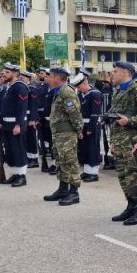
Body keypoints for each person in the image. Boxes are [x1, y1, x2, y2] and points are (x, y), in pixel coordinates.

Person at [107, 61, 137, 225]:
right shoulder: (118, 91)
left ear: (125, 73)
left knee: (133, 177)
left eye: (115, 71)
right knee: (123, 176)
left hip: (132, 141)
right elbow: (116, 117)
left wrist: (130, 120)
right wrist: (113, 140)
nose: (112, 74)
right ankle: (131, 205)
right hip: (120, 141)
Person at [43, 67, 84, 205]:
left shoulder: (66, 92)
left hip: (67, 133)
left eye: (50, 76)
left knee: (70, 162)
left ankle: (74, 193)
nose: (47, 78)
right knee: (61, 162)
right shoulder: (59, 92)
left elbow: (74, 113)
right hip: (59, 133)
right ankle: (63, 189)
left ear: (56, 78)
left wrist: (79, 130)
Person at [0, 64, 30, 187]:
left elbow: (22, 108)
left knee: (18, 150)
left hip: (16, 125)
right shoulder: (7, 88)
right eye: (3, 71)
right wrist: (0, 123)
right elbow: (2, 108)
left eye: (7, 72)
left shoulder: (20, 87)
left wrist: (18, 125)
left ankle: (21, 176)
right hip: (6, 125)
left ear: (15, 74)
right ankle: (15, 174)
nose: (3, 74)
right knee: (10, 150)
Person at [74, 73, 103, 183]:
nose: (78, 89)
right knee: (85, 149)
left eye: (79, 86)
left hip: (93, 125)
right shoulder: (81, 94)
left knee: (93, 149)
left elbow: (95, 113)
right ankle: (87, 171)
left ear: (85, 83)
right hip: (83, 125)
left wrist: (90, 128)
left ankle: (93, 173)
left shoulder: (95, 94)